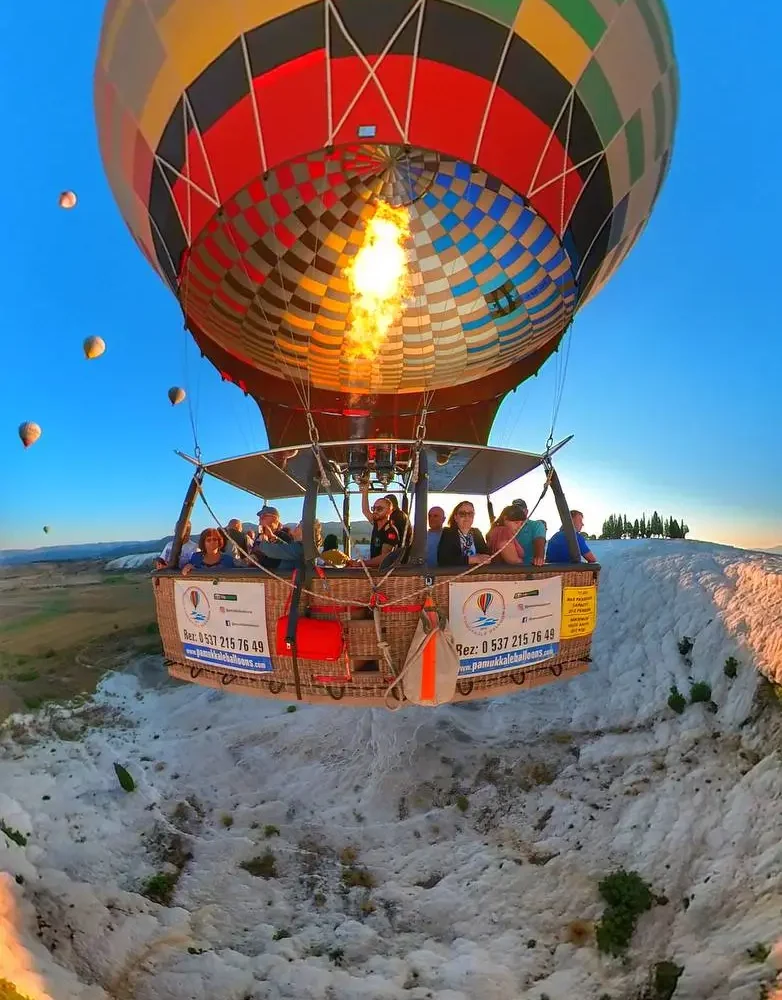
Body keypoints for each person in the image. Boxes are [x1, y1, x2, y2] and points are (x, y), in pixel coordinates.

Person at [351, 495, 401, 569]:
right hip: (374, 569)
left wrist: (362, 563)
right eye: (373, 508)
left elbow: (384, 558)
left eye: (379, 509)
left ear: (389, 511)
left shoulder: (391, 531)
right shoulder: (376, 524)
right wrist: (365, 490)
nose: (375, 511)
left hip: (382, 572)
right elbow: (365, 511)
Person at [437, 502, 492, 567]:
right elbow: (443, 560)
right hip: (455, 575)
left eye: (470, 514)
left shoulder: (477, 533)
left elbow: (486, 555)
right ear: (456, 517)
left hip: (477, 575)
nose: (467, 517)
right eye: (462, 514)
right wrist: (473, 559)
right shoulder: (448, 533)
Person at [253, 521, 322, 572]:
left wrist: (263, 540)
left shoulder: (301, 549)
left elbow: (272, 551)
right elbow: (286, 548)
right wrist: (272, 537)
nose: (296, 527)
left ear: (304, 533)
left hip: (294, 587)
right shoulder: (303, 548)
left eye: (298, 526)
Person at [510, 498, 546, 567]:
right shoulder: (507, 527)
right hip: (508, 570)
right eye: (515, 510)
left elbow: (539, 542)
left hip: (529, 569)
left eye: (520, 509)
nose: (517, 512)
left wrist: (539, 558)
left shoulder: (536, 525)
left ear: (526, 511)